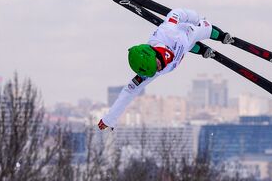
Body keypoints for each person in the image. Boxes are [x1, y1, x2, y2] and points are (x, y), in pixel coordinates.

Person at [98, 8, 232, 130]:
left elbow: (177, 13)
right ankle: (202, 50)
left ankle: (223, 37)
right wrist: (109, 119)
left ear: (153, 53)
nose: (159, 69)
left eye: (157, 66)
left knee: (206, 28)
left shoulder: (167, 31)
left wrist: (196, 18)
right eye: (155, 70)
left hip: (188, 31)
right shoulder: (148, 71)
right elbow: (129, 92)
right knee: (186, 48)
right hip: (184, 48)